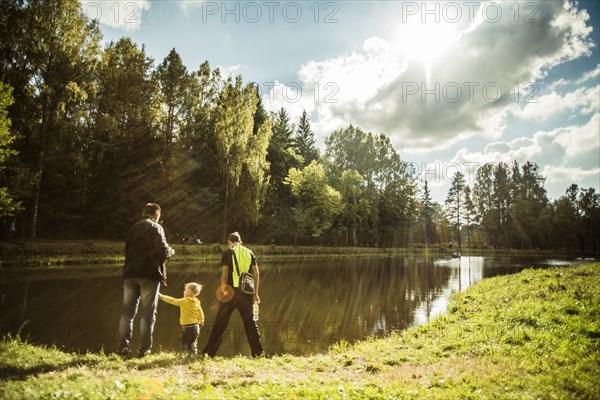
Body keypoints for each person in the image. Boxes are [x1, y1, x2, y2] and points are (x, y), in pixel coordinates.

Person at [118, 203, 174, 358]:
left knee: (127, 314)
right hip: (149, 275)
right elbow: (163, 251)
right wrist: (171, 251)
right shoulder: (156, 228)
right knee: (147, 314)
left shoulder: (132, 228)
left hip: (130, 274)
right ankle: (144, 351)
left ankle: (122, 349)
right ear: (156, 215)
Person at [202, 232, 263, 357]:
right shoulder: (249, 252)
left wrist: (223, 291)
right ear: (241, 242)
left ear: (229, 242)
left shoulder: (228, 253)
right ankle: (258, 353)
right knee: (251, 324)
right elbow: (256, 274)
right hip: (246, 293)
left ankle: (209, 353)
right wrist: (256, 294)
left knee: (220, 323)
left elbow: (224, 275)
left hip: (230, 294)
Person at [159, 282, 205, 354]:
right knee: (193, 344)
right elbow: (200, 312)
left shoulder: (185, 301)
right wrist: (201, 321)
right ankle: (193, 357)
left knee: (184, 343)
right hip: (196, 326)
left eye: (185, 290)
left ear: (189, 292)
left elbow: (173, 300)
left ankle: (184, 356)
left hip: (187, 327)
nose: (184, 291)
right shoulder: (197, 301)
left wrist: (162, 297)